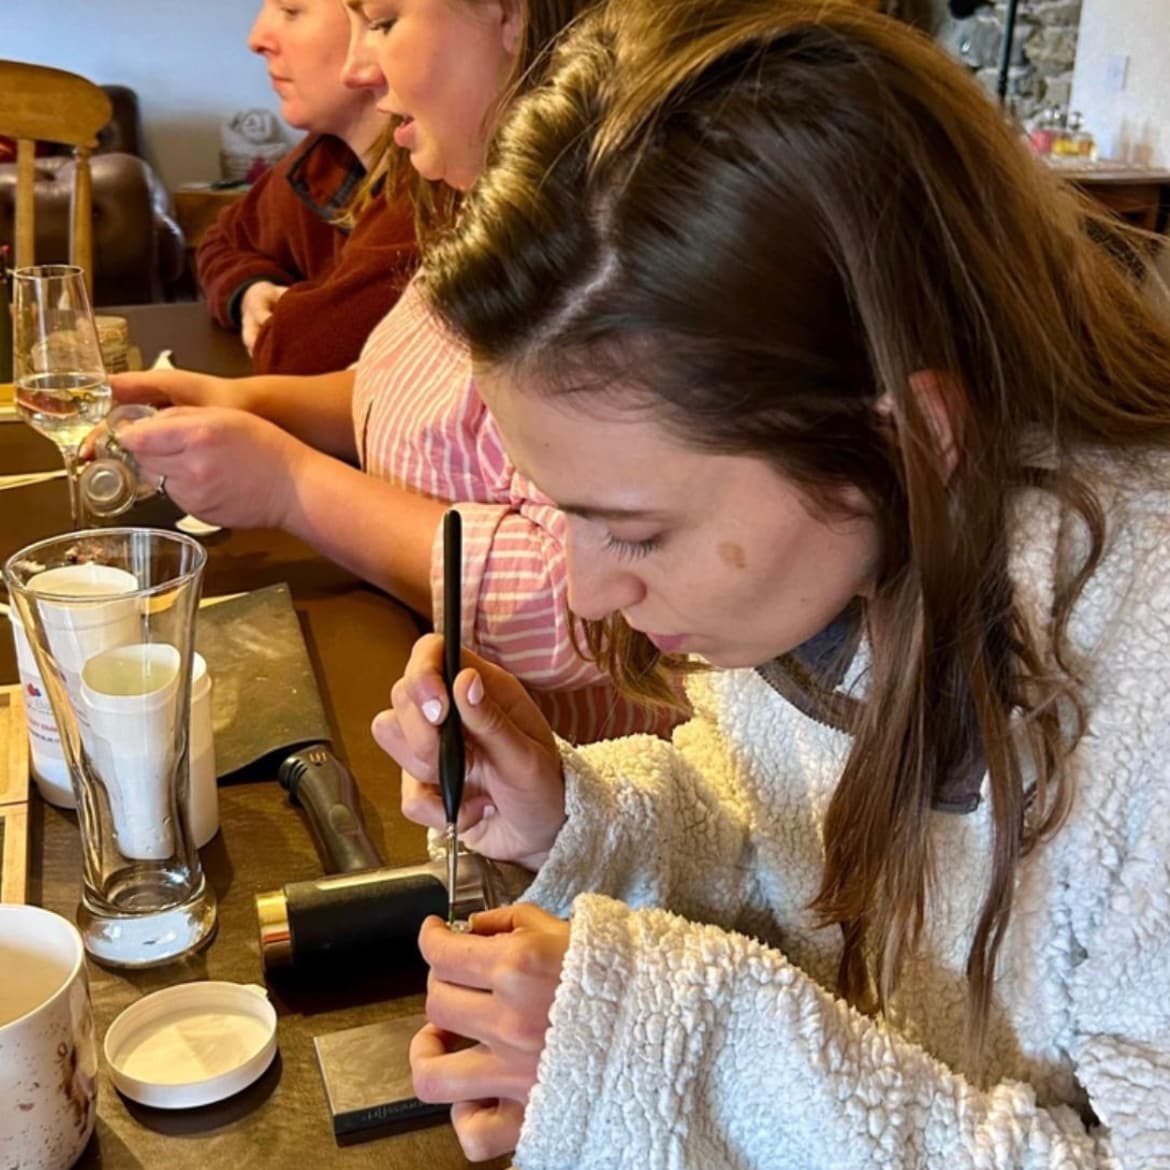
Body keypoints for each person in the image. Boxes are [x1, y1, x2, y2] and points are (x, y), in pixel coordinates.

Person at [374, 1, 1170, 1165]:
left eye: (633, 533)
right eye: (565, 514)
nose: (587, 591)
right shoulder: (854, 555)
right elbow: (774, 831)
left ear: (907, 441)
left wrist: (661, 1055)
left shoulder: (1142, 694)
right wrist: (572, 812)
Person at [107, 0, 674, 746]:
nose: (357, 68)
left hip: (571, 780)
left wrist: (291, 486)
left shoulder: (601, 261)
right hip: (429, 704)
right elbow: (427, 404)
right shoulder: (472, 206)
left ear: (509, 17)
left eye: (383, 20)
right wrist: (248, 401)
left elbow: (574, 612)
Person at [196, 0, 416, 374]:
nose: (256, 39)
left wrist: (287, 318)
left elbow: (299, 351)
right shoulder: (324, 160)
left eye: (291, 9)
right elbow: (222, 240)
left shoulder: (429, 187)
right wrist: (252, 290)